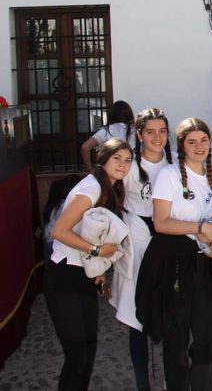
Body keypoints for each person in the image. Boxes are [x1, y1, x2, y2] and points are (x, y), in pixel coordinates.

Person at [146, 117, 212, 390]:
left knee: (206, 339)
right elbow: (161, 222)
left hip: (207, 264)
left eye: (204, 140)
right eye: (191, 142)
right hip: (176, 265)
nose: (199, 146)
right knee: (177, 339)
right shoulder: (169, 175)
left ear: (210, 143)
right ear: (181, 145)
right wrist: (200, 228)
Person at [45, 138, 133, 390]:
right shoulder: (91, 189)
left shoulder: (111, 187)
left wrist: (100, 271)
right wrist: (97, 250)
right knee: (77, 355)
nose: (123, 164)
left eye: (127, 160)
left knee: (87, 351)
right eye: (117, 158)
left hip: (82, 275)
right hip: (63, 275)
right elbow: (59, 231)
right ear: (102, 160)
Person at [118, 107, 174, 391]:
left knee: (170, 313)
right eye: (150, 132)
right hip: (137, 239)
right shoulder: (127, 166)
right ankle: (143, 383)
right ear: (139, 135)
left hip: (168, 242)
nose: (157, 137)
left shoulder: (175, 166)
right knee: (136, 313)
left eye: (162, 131)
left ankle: (170, 378)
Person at [80, 100, 135, 173]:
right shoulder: (136, 131)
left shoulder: (107, 130)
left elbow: (85, 147)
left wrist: (90, 170)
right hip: (132, 170)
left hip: (111, 171)